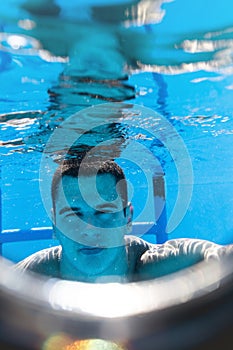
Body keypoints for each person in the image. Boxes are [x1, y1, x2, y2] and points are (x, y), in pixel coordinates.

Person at [15, 159, 232, 283]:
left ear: (128, 217)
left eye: (104, 213)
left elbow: (215, 255)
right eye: (73, 215)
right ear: (54, 224)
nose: (89, 231)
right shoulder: (26, 279)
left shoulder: (153, 266)